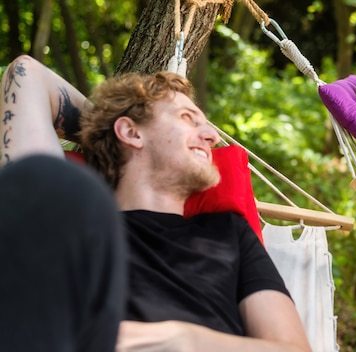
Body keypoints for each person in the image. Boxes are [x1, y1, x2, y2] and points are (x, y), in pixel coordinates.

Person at [0, 55, 311, 351]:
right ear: (131, 131)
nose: (211, 135)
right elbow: (27, 75)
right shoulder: (73, 221)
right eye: (188, 118)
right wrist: (106, 131)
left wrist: (183, 341)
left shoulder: (229, 232)